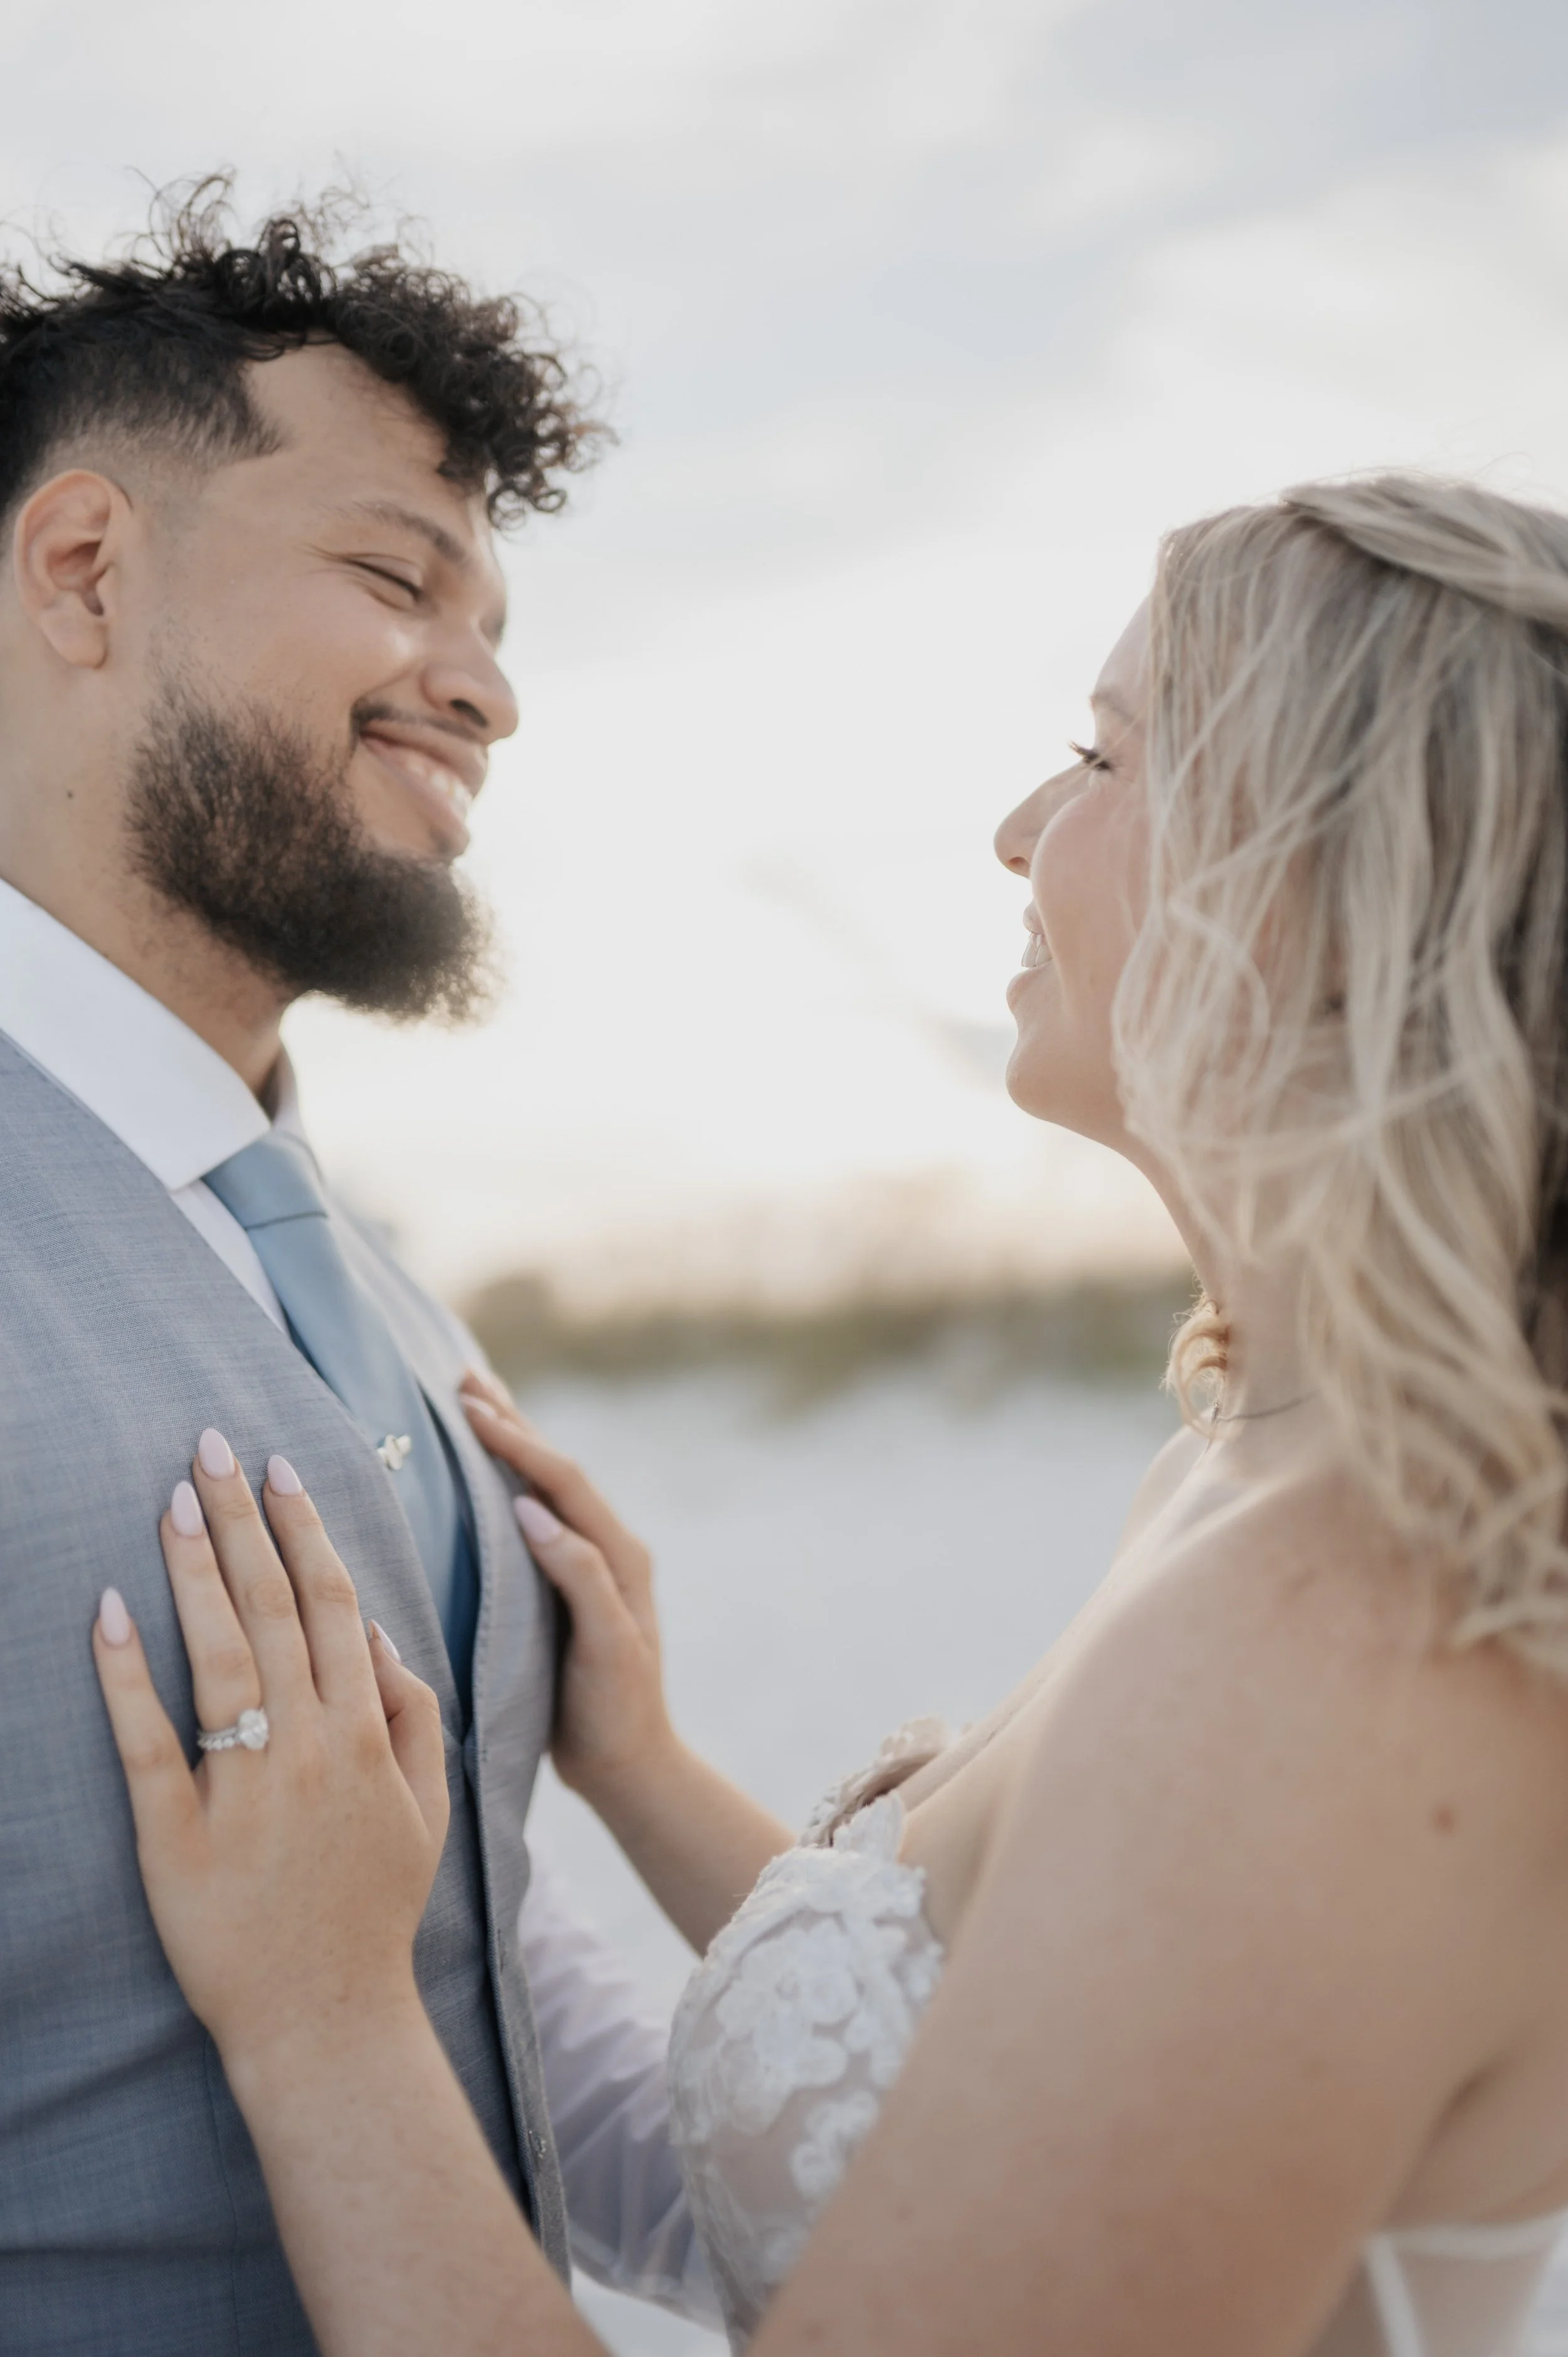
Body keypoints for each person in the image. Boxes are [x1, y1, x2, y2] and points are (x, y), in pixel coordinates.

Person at [92, 469, 1568, 2355]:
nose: (1019, 828)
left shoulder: (1351, 1632)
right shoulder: (1257, 1457)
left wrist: (320, 2017)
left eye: (1101, 760)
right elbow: (996, 2043)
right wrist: (638, 1767)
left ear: (1336, 889)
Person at [0, 183, 719, 2351]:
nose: (484, 687)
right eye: (397, 577)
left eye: (497, 619)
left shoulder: (382, 1287)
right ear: (85, 568)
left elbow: (484, 1984)